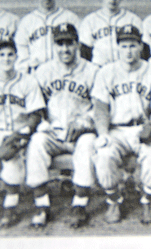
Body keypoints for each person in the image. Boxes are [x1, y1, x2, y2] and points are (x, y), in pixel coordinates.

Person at [25, 23, 100, 228]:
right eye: (60, 43)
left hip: (81, 132)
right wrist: (42, 123)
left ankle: (80, 204)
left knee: (87, 145)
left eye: (69, 43)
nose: (65, 49)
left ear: (77, 44)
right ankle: (42, 205)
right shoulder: (43, 71)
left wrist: (86, 122)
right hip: (54, 133)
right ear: (54, 45)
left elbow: (100, 107)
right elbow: (35, 104)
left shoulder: (92, 70)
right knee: (36, 143)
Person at [92, 25, 151, 224]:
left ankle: (148, 202)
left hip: (143, 128)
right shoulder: (106, 72)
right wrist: (103, 134)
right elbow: (100, 108)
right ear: (118, 48)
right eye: (124, 46)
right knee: (104, 156)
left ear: (141, 46)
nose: (128, 51)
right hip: (115, 129)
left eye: (133, 45)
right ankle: (114, 201)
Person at [0, 39, 45, 227]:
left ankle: (9, 209)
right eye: (1, 55)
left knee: (12, 159)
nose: (6, 58)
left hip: (20, 132)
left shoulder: (28, 81)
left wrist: (23, 134)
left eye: (10, 54)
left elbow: (36, 114)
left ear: (16, 56)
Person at [14, 0, 80, 73]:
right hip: (36, 74)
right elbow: (20, 50)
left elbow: (79, 49)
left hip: (65, 74)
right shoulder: (27, 21)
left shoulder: (71, 18)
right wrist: (27, 64)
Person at [78, 0, 142, 66]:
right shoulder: (90, 20)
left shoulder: (133, 19)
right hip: (98, 68)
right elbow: (85, 53)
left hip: (126, 69)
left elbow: (141, 51)